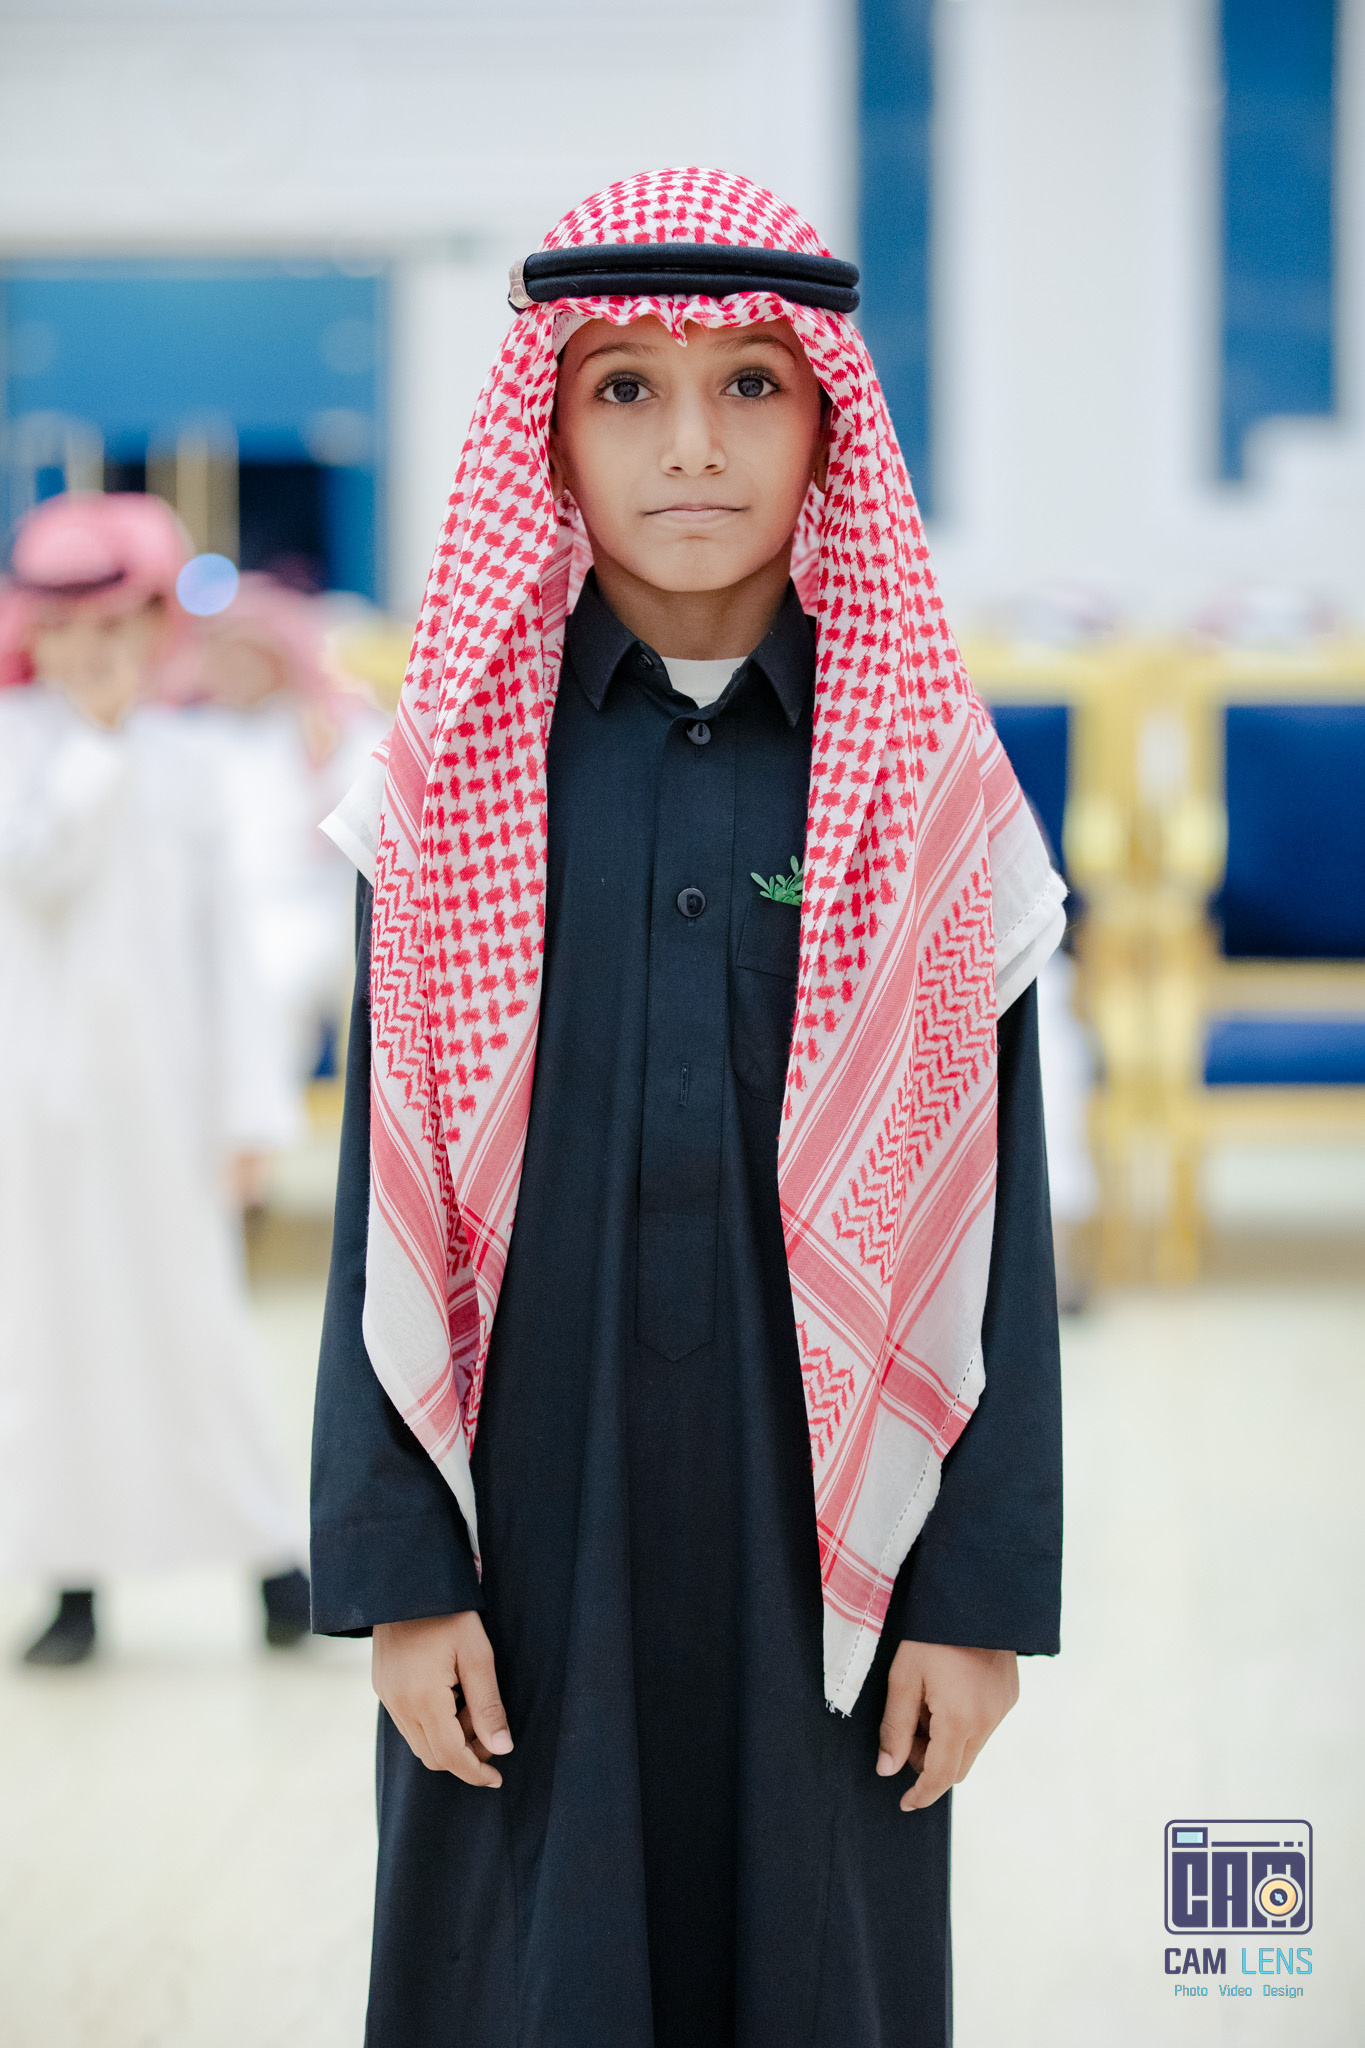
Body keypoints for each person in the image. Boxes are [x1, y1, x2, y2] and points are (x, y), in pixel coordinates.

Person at [311, 169, 1067, 2047]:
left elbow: (995, 1216)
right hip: (522, 1533)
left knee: (817, 1962)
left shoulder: (922, 786)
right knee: (520, 1966)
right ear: (549, 431)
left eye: (750, 385)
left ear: (828, 421)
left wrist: (973, 1597)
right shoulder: (451, 777)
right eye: (626, 389)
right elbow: (384, 1200)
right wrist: (403, 1575)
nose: (693, 447)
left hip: (830, 1547)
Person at [0, 492, 311, 1665]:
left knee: (197, 1334)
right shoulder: (17, 746)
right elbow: (34, 872)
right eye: (64, 629)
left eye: (113, 627)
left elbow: (229, 954)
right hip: (39, 1115)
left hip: (171, 1116)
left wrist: (249, 1113)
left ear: (153, 630)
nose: (91, 651)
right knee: (54, 1346)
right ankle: (72, 1588)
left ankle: (274, 1567)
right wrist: (90, 747)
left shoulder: (193, 760)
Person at [178, 573, 387, 1131]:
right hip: (221, 906)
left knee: (268, 975)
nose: (235, 670)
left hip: (310, 907)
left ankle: (262, 1132)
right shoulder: (196, 734)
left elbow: (371, 816)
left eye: (248, 656)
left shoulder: (327, 726)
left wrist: (326, 755)